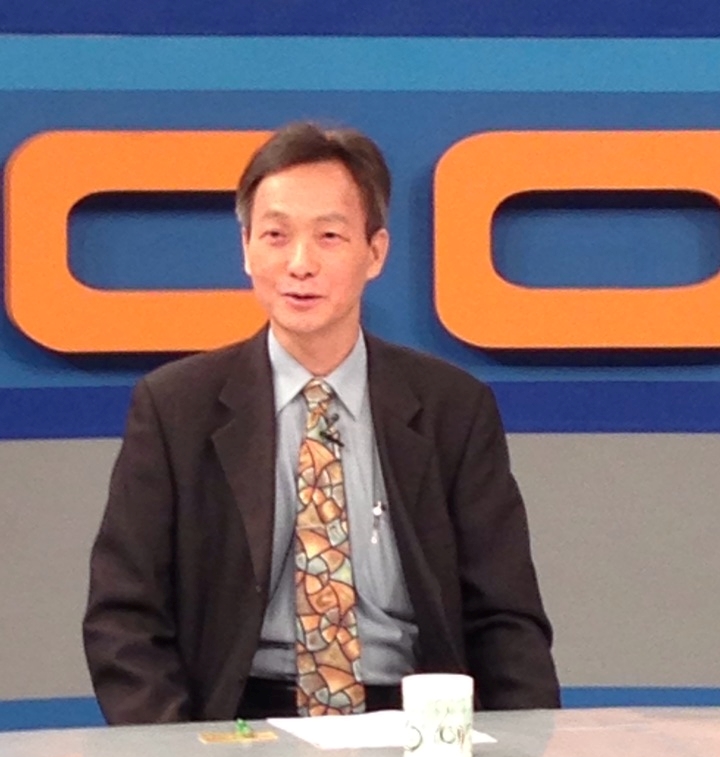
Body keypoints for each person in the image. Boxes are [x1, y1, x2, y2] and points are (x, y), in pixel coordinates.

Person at [83, 121, 560, 723]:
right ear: (246, 249)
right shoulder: (176, 407)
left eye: (329, 236)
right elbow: (125, 617)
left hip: (411, 721)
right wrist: (179, 753)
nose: (300, 264)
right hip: (237, 724)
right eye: (275, 236)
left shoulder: (453, 408)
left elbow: (505, 619)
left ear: (375, 252)